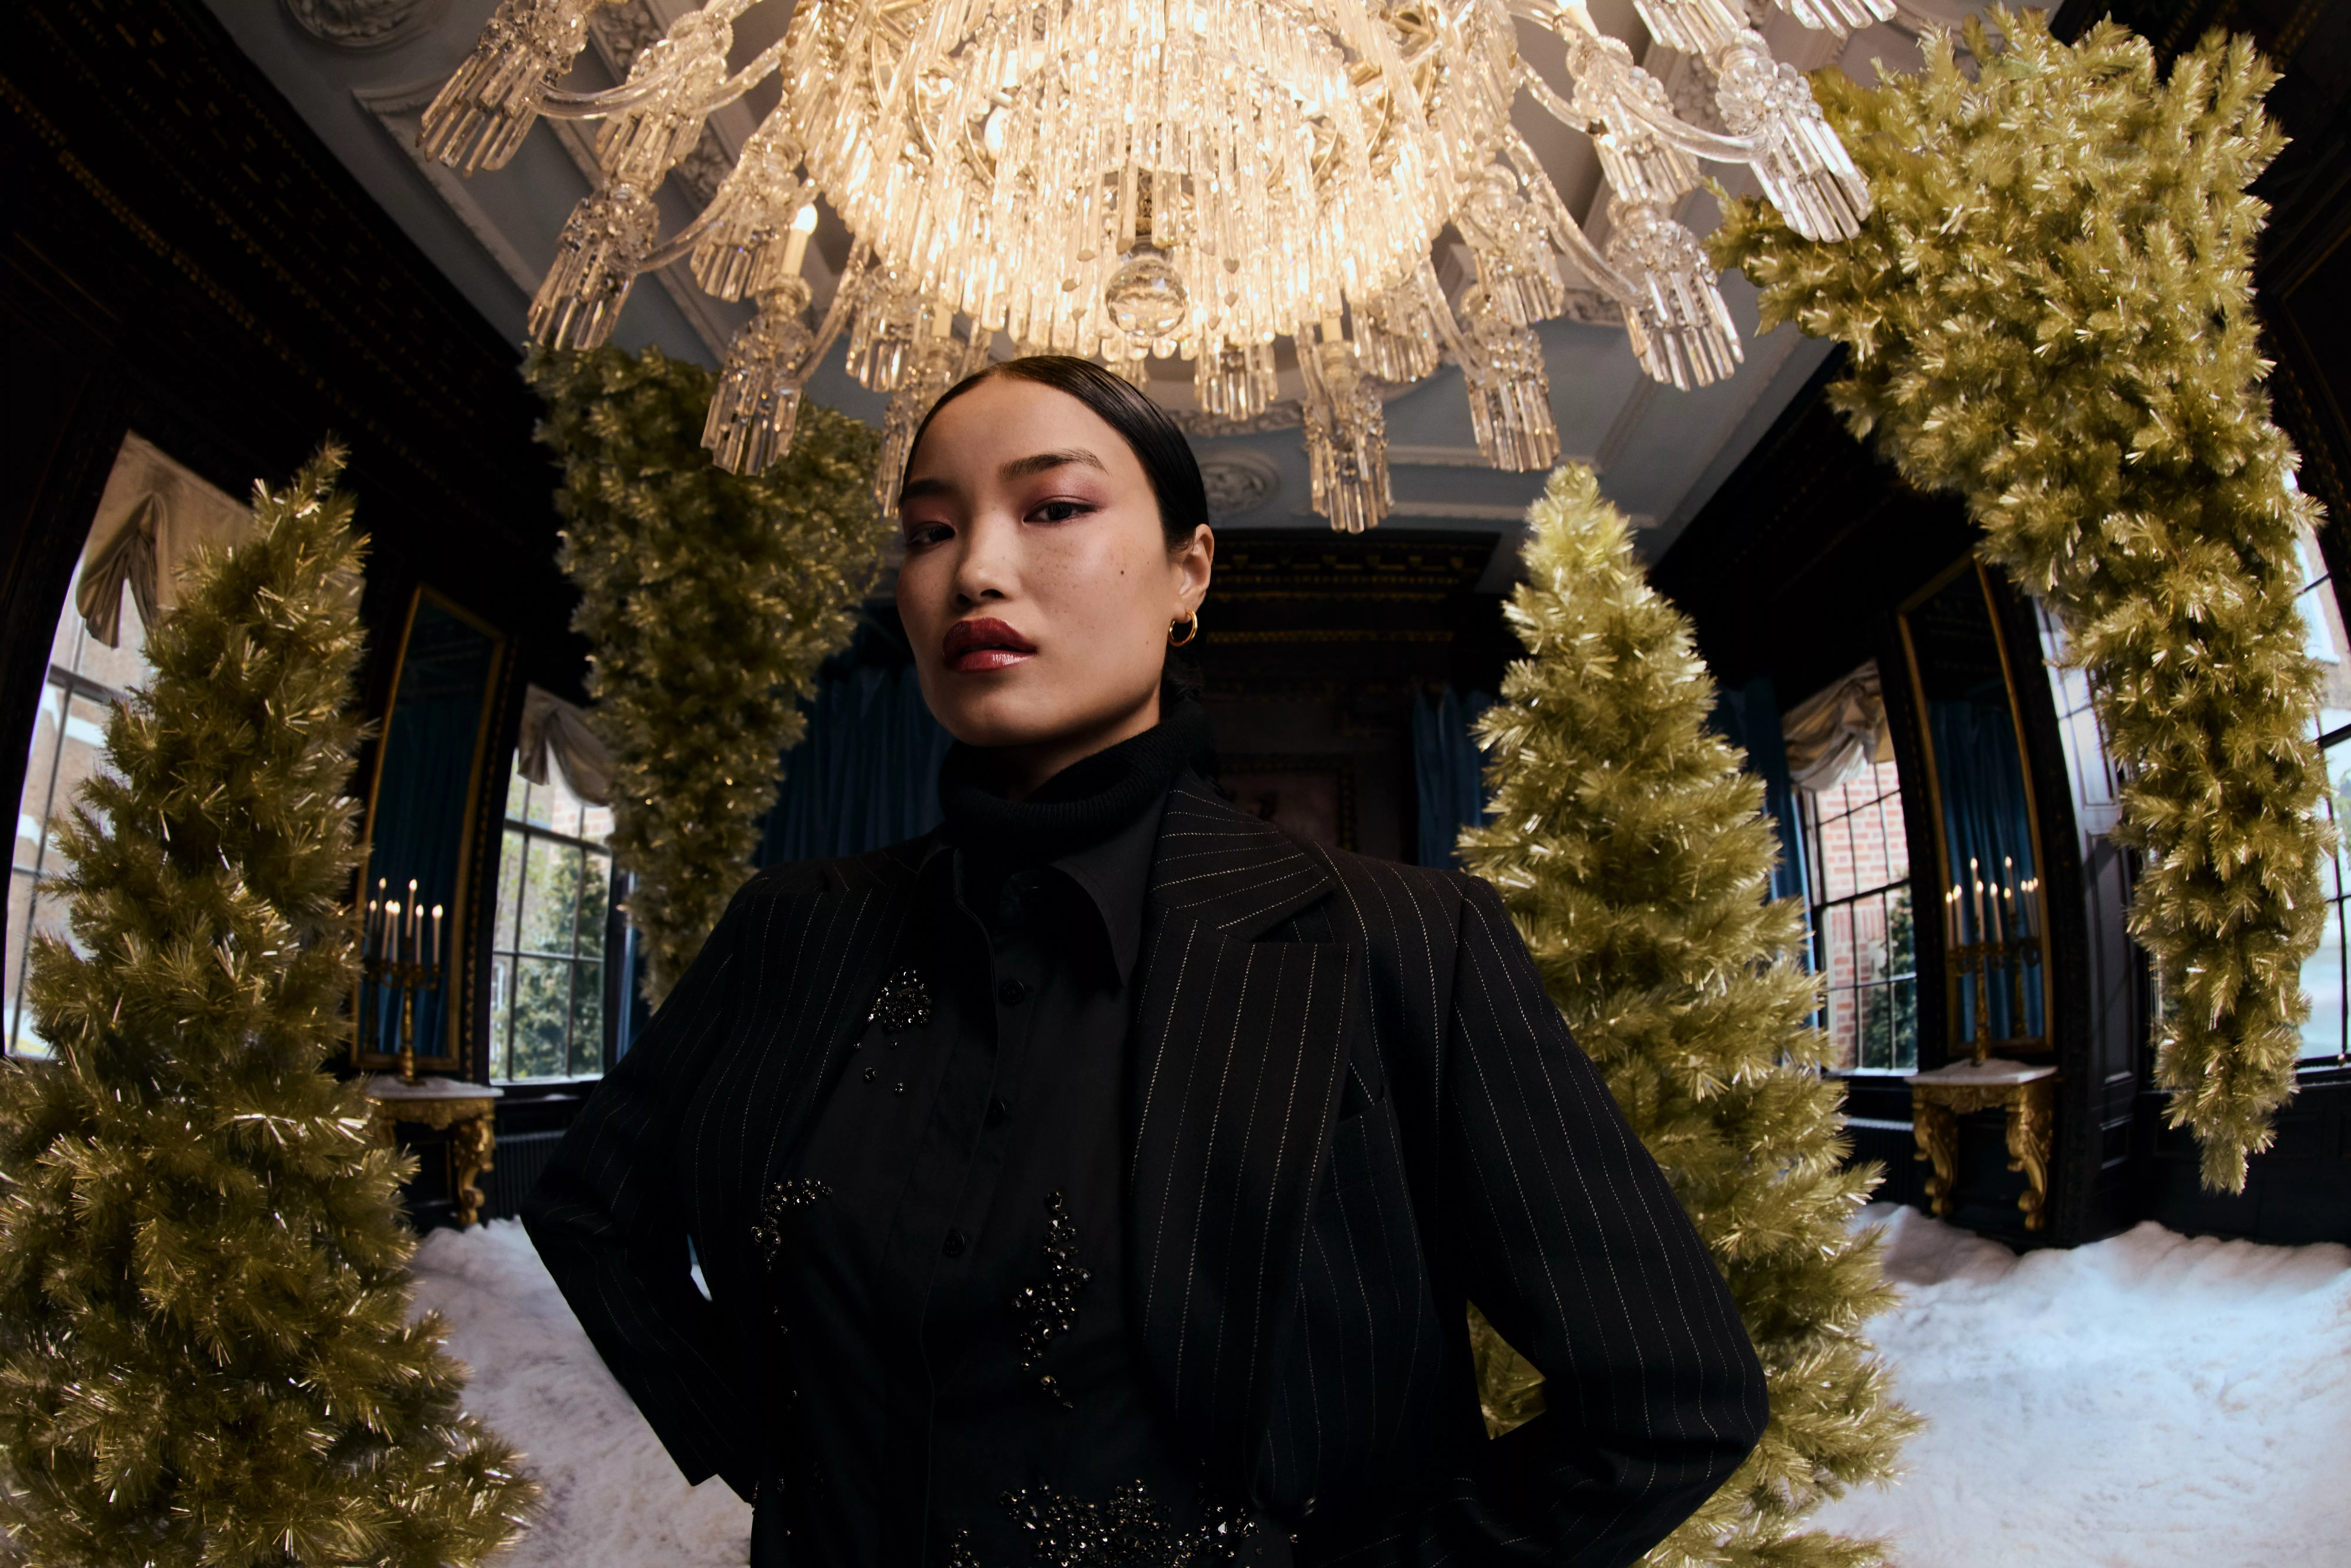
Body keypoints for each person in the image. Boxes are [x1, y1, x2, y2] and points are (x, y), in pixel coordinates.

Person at [522, 356, 1767, 1568]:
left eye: (1052, 508)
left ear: (1188, 572)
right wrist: (770, 1450)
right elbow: (592, 1210)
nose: (976, 570)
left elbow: (1669, 1400)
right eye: (927, 530)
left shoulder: (1401, 941)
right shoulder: (790, 926)